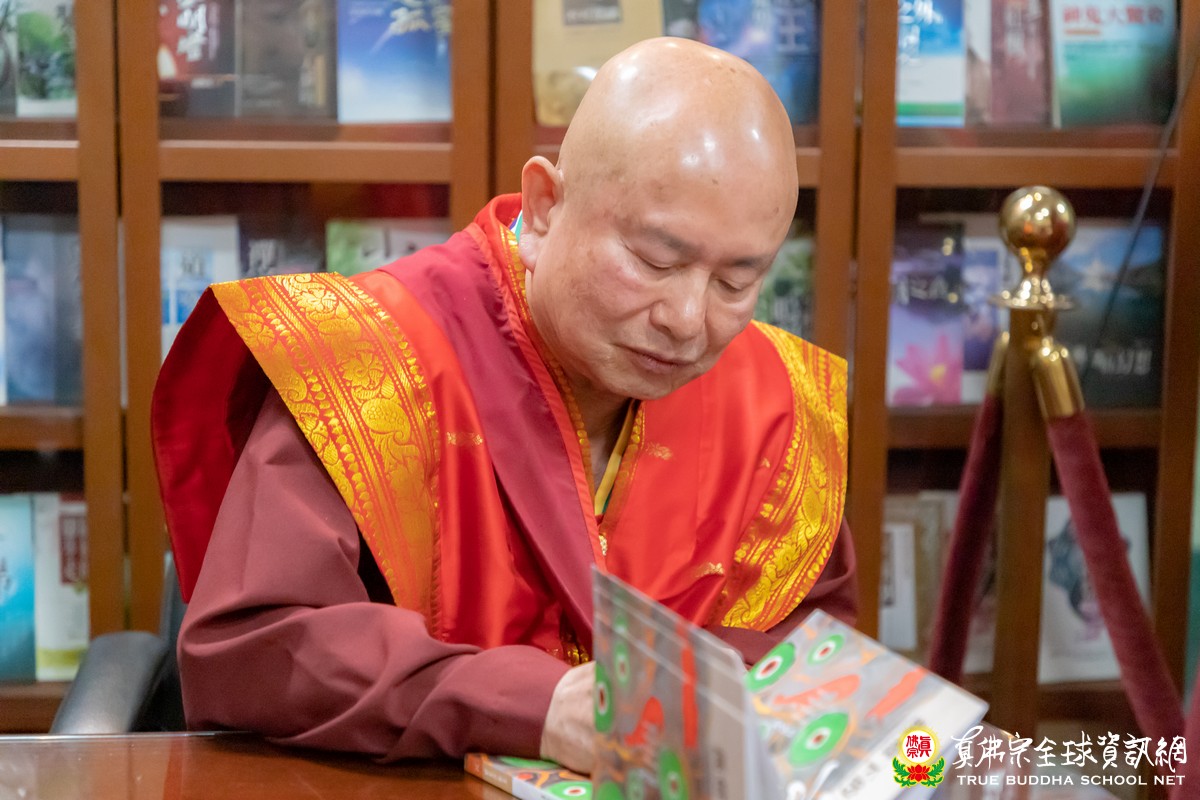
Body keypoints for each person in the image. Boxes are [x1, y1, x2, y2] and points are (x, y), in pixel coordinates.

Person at [152, 36, 856, 774]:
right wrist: (539, 706)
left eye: (736, 282)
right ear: (546, 206)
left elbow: (815, 655)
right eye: (656, 261)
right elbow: (256, 648)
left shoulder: (772, 402)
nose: (686, 319)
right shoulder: (368, 362)